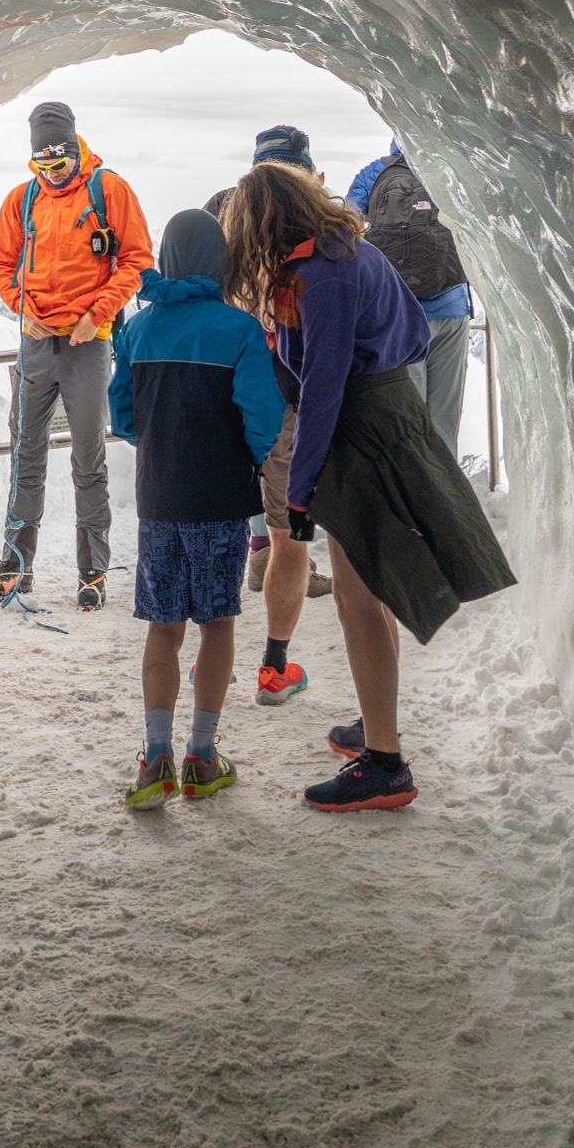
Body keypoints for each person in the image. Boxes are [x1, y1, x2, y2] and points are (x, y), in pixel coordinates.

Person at [223, 165, 516, 811]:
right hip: (391, 413)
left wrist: (299, 492)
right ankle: (374, 720)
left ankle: (384, 762)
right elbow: (413, 333)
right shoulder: (357, 252)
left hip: (356, 429)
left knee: (356, 597)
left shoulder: (315, 278)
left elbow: (322, 385)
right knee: (372, 590)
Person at [108, 209, 285, 805]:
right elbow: (265, 418)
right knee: (217, 624)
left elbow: (123, 416)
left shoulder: (135, 330)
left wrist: (160, 444)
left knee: (164, 628)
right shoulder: (239, 330)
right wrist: (249, 455)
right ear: (220, 262)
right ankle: (202, 759)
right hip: (220, 499)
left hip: (159, 498)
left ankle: (154, 759)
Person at [0, 99, 153, 610]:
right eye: (43, 165)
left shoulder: (110, 190)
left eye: (59, 163)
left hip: (88, 342)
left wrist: (96, 313)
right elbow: (0, 263)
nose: (53, 174)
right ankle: (16, 565)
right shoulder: (22, 199)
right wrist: (22, 306)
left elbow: (137, 260)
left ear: (74, 149)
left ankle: (92, 570)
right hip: (35, 340)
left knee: (88, 458)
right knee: (25, 454)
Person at [205, 124, 332, 709]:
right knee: (289, 535)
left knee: (220, 529)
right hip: (290, 402)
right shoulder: (318, 234)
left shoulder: (221, 220)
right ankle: (273, 665)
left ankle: (210, 659)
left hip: (225, 396)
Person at [347, 138, 472, 457]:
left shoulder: (373, 173)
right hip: (452, 304)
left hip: (398, 312)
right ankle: (449, 502)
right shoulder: (449, 170)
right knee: (444, 420)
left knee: (409, 419)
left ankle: (416, 500)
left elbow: (345, 231)